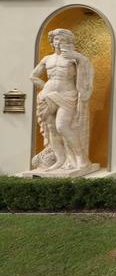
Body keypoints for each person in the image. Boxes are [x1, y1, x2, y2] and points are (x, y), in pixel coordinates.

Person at [30, 28, 94, 171]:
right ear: (52, 42)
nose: (59, 42)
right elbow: (33, 76)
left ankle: (81, 158)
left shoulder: (74, 58)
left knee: (62, 126)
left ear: (69, 42)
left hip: (67, 94)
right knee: (53, 129)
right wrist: (45, 86)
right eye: (57, 39)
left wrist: (79, 58)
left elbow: (87, 70)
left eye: (63, 40)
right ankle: (60, 160)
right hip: (48, 96)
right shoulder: (47, 59)